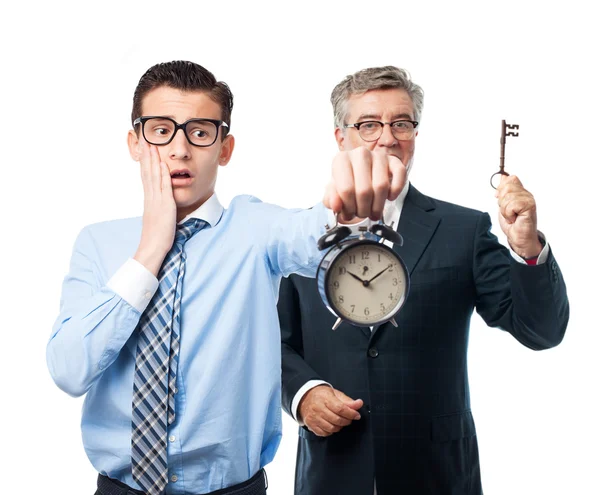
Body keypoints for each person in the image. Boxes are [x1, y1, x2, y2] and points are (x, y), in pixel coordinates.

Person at [46, 61, 406, 495]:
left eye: (199, 132)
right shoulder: (98, 243)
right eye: (161, 130)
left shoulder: (255, 229)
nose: (179, 150)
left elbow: (318, 232)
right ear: (135, 143)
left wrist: (349, 211)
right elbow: (69, 370)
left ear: (225, 147)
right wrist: (149, 252)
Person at [278, 66, 569, 495]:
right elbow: (271, 340)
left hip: (437, 473)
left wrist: (528, 249)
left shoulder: (463, 230)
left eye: (402, 123)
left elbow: (540, 330)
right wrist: (303, 393)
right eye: (369, 124)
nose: (389, 137)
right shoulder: (297, 235)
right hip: (332, 469)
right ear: (341, 138)